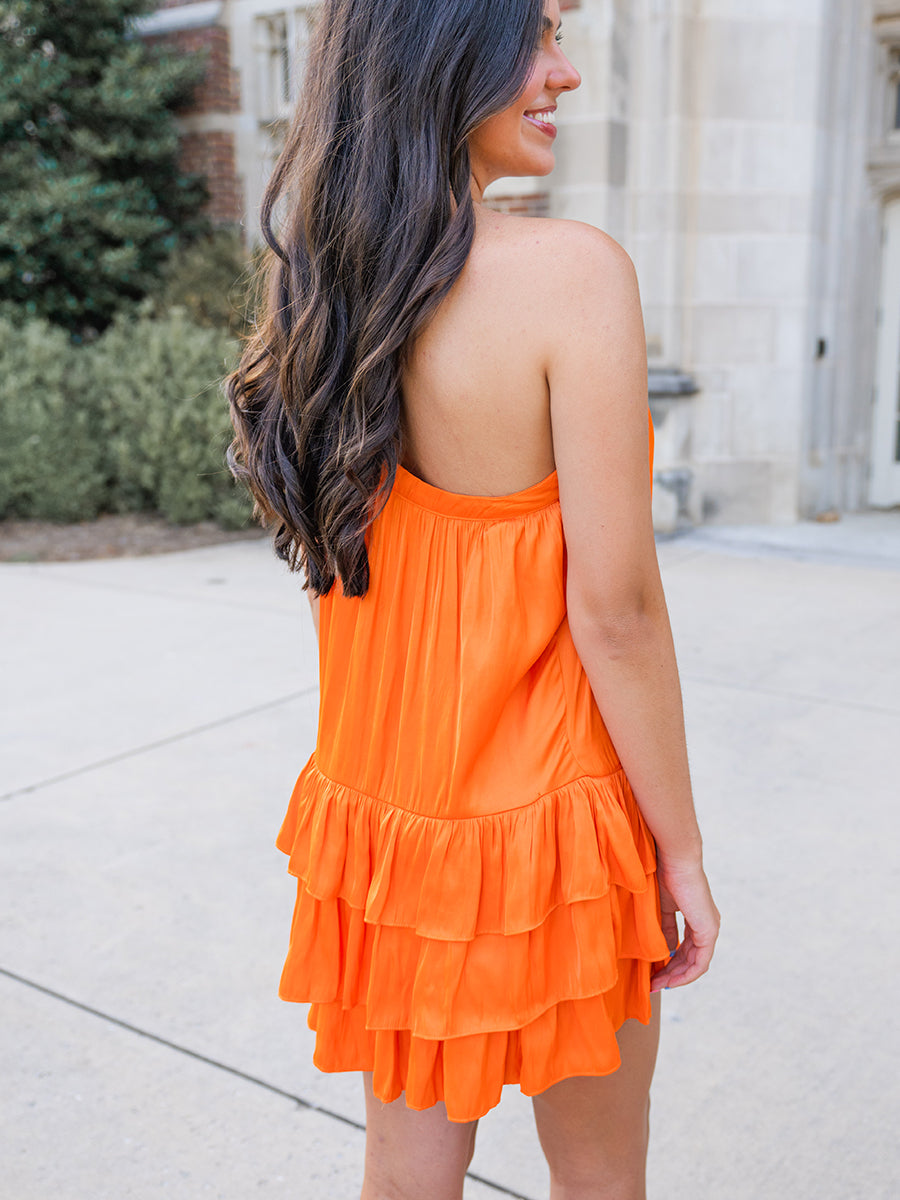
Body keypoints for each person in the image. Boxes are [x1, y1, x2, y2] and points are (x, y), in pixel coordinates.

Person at [227, 0, 720, 1196]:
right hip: (559, 825)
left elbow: (344, 583)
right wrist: (684, 852)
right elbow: (617, 611)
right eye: (539, 35)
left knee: (405, 1178)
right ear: (445, 52)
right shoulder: (571, 276)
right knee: (601, 1176)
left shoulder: (317, 300)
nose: (567, 72)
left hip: (389, 826)